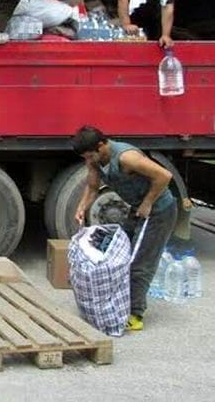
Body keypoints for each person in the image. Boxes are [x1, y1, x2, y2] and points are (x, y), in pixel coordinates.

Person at [70, 125, 178, 332]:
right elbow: (92, 187)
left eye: (90, 156)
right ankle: (116, 302)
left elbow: (164, 176)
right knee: (115, 252)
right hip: (138, 208)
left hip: (158, 211)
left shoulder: (127, 158)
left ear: (101, 146)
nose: (88, 161)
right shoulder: (95, 160)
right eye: (85, 157)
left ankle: (135, 314)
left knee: (139, 262)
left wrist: (147, 203)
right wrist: (82, 207)